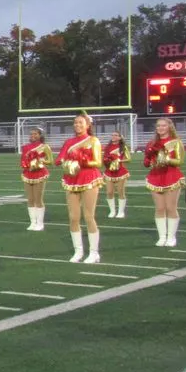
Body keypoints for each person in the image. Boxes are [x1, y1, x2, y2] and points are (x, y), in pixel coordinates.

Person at [56, 112, 103, 263]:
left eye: (80, 122)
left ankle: (94, 252)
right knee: (73, 217)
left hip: (89, 178)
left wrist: (82, 160)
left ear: (88, 125)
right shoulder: (69, 141)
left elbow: (98, 163)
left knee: (89, 216)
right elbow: (58, 160)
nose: (77, 125)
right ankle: (78, 251)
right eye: (75, 122)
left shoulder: (93, 140)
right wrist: (66, 162)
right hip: (72, 179)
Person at [145, 117, 185, 247]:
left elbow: (179, 161)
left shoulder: (176, 142)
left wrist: (166, 159)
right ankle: (162, 236)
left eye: (163, 126)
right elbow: (148, 160)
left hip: (171, 176)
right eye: (158, 126)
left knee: (171, 207)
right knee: (160, 208)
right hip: (156, 176)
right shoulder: (151, 143)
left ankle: (171, 237)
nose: (160, 128)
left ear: (169, 127)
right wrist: (149, 161)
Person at [19, 127, 52, 230]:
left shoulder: (45, 147)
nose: (33, 136)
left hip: (40, 173)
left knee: (38, 199)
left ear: (40, 135)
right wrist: (26, 164)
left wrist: (39, 161)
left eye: (35, 134)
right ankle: (33, 222)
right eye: (31, 134)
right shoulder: (25, 147)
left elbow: (50, 161)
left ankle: (40, 223)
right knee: (30, 199)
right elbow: (23, 161)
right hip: (28, 173)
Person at [102, 130, 130, 218]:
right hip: (109, 171)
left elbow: (129, 159)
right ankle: (112, 211)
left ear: (120, 137)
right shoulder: (108, 147)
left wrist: (119, 160)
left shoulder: (123, 147)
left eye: (116, 135)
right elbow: (104, 158)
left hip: (120, 171)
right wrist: (107, 161)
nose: (114, 136)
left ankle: (121, 212)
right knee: (109, 192)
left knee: (121, 191)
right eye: (112, 135)